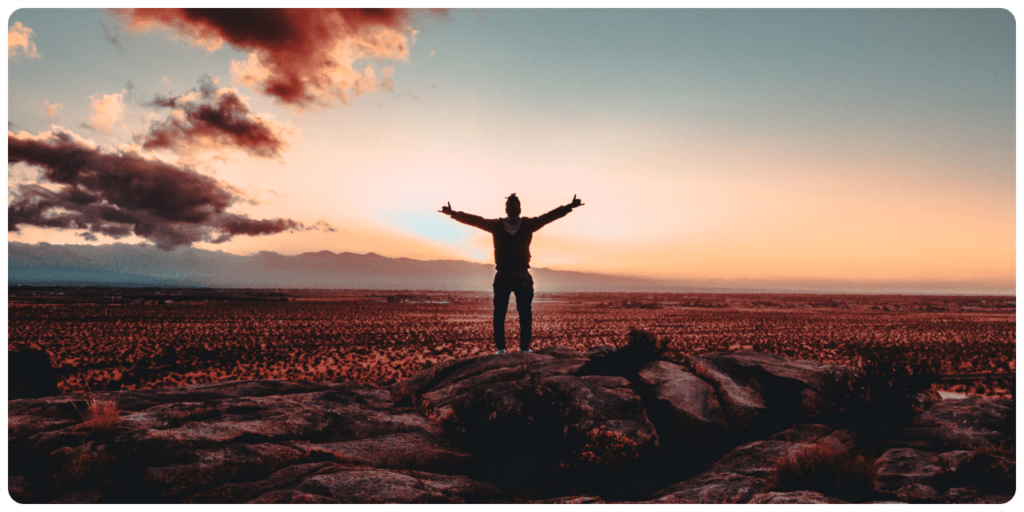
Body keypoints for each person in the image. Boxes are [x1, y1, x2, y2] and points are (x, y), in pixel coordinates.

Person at [440, 193, 584, 354]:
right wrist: (569, 207)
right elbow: (548, 217)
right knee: (524, 312)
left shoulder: (498, 225)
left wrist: (453, 214)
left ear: (506, 209)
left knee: (501, 313)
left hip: (503, 275)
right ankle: (523, 348)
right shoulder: (527, 224)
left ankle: (502, 349)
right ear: (519, 209)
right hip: (520, 275)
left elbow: (476, 220)